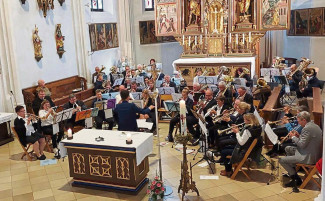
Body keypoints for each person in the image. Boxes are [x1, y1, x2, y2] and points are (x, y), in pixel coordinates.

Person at [279, 111, 322, 188]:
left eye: (299, 121)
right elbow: (306, 141)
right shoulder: (314, 125)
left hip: (307, 157)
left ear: (304, 120)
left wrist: (293, 137)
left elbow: (301, 145)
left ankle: (296, 179)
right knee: (288, 148)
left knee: (281, 160)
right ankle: (292, 171)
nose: (298, 123)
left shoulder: (307, 128)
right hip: (313, 153)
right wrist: (298, 136)